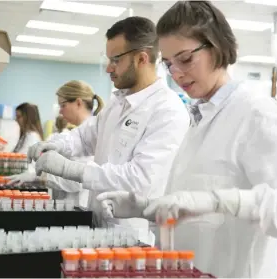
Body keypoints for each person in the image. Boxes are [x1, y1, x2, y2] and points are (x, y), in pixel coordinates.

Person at [96, 1, 277, 277]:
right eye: (169, 64)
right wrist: (148, 207)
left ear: (217, 46)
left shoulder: (256, 113)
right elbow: (199, 208)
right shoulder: (199, 116)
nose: (177, 74)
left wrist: (221, 201)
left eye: (185, 59)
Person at [27, 16, 190, 237]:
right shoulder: (118, 103)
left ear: (141, 59)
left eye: (115, 60)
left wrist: (69, 169)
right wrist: (53, 145)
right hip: (98, 226)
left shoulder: (167, 110)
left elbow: (140, 179)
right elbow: (84, 137)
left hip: (133, 237)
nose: (108, 68)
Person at [7, 80, 103, 208]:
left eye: (63, 105)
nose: (60, 112)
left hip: (79, 205)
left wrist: (41, 178)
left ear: (78, 103)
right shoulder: (75, 134)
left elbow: (81, 180)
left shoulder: (92, 135)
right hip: (64, 203)